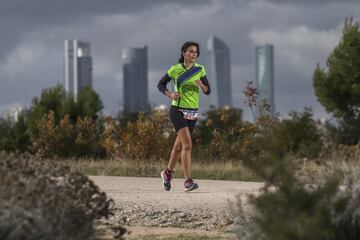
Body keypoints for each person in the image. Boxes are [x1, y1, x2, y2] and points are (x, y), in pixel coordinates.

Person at [157, 41, 211, 192]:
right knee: (187, 145)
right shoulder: (175, 69)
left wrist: (201, 84)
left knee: (179, 146)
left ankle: (167, 173)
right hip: (177, 110)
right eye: (191, 51)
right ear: (183, 53)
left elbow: (208, 91)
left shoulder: (200, 69)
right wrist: (170, 94)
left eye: (195, 52)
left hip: (193, 112)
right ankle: (188, 181)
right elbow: (160, 85)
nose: (193, 54)